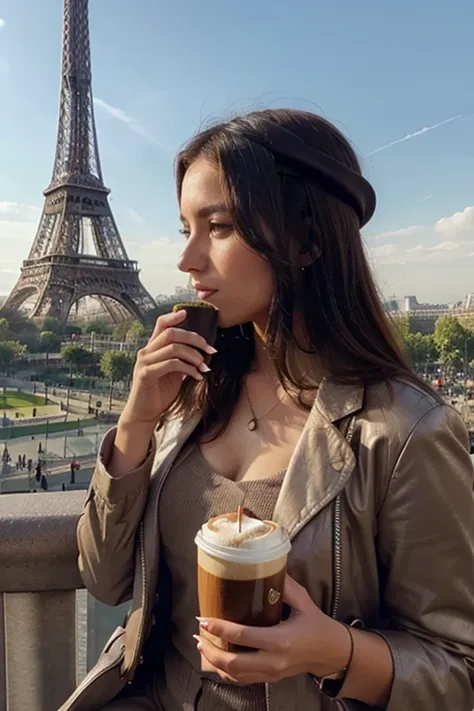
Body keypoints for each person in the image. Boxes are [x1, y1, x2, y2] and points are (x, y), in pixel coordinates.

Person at [61, 110, 474, 711]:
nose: (188, 260)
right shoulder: (192, 393)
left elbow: (458, 671)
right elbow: (104, 579)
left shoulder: (407, 431)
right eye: (185, 230)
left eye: (219, 226)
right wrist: (135, 423)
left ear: (307, 241)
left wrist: (335, 654)